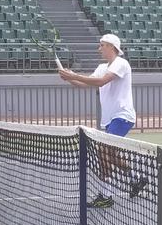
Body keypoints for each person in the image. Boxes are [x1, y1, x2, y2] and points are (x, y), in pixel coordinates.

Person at [59, 33, 147, 208]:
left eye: (102, 45)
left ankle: (105, 195)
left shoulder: (122, 63)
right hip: (109, 119)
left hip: (122, 116)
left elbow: (101, 81)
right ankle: (136, 179)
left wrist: (74, 75)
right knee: (111, 155)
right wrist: (69, 78)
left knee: (103, 152)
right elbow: (86, 84)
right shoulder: (101, 67)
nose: (99, 49)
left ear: (112, 47)